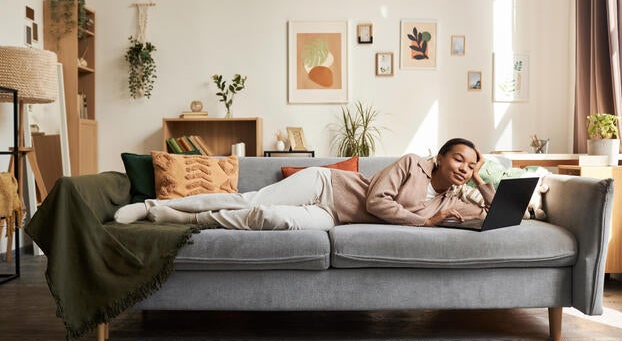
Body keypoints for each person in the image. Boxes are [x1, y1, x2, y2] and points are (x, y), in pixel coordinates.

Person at [114, 138, 495, 230]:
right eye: (459, 158)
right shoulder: (412, 164)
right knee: (246, 199)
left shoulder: (452, 198)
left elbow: (489, 213)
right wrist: (425, 222)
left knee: (267, 216)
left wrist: (480, 176)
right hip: (326, 187)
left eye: (471, 165)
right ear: (441, 157)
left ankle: (177, 217)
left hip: (333, 217)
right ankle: (151, 207)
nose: (464, 167)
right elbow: (378, 202)